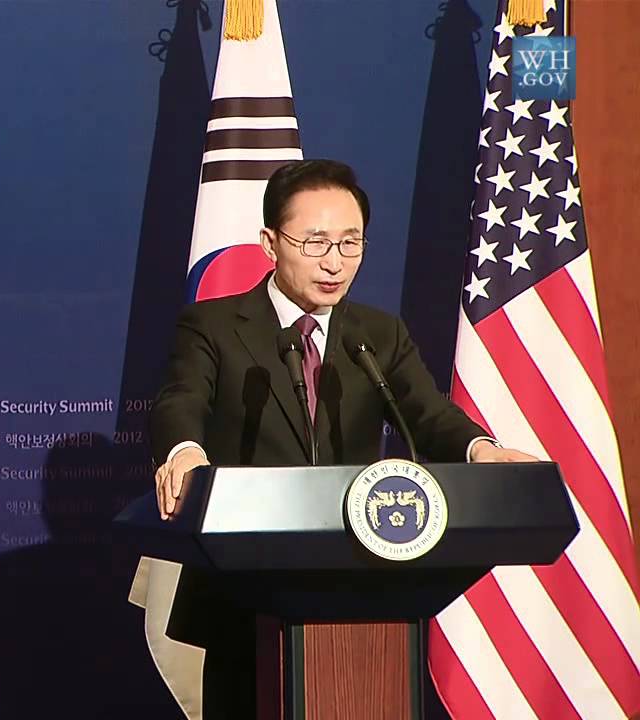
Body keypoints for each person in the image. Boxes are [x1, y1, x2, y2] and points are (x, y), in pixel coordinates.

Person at [142, 159, 535, 718]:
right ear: (270, 243)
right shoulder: (212, 325)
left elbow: (425, 414)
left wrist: (483, 450)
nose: (335, 263)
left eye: (351, 244)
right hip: (244, 594)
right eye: (315, 242)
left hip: (361, 587)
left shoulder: (376, 334)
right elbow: (181, 399)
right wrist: (184, 451)